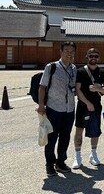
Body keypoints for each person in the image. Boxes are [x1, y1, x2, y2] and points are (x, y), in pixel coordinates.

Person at [37, 41, 77, 177]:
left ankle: (60, 162)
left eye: (72, 51)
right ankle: (49, 164)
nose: (69, 54)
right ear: (60, 52)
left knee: (65, 137)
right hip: (54, 108)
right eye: (66, 50)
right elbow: (42, 87)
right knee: (52, 138)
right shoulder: (52, 67)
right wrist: (41, 105)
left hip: (70, 109)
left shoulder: (74, 69)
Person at [72, 48, 104, 169]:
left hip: (96, 106)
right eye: (91, 56)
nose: (93, 58)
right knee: (79, 129)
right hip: (83, 105)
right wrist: (87, 102)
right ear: (87, 57)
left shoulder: (103, 72)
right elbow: (77, 90)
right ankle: (77, 156)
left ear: (98, 58)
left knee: (95, 130)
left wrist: (98, 89)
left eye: (95, 56)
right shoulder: (80, 71)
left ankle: (93, 153)